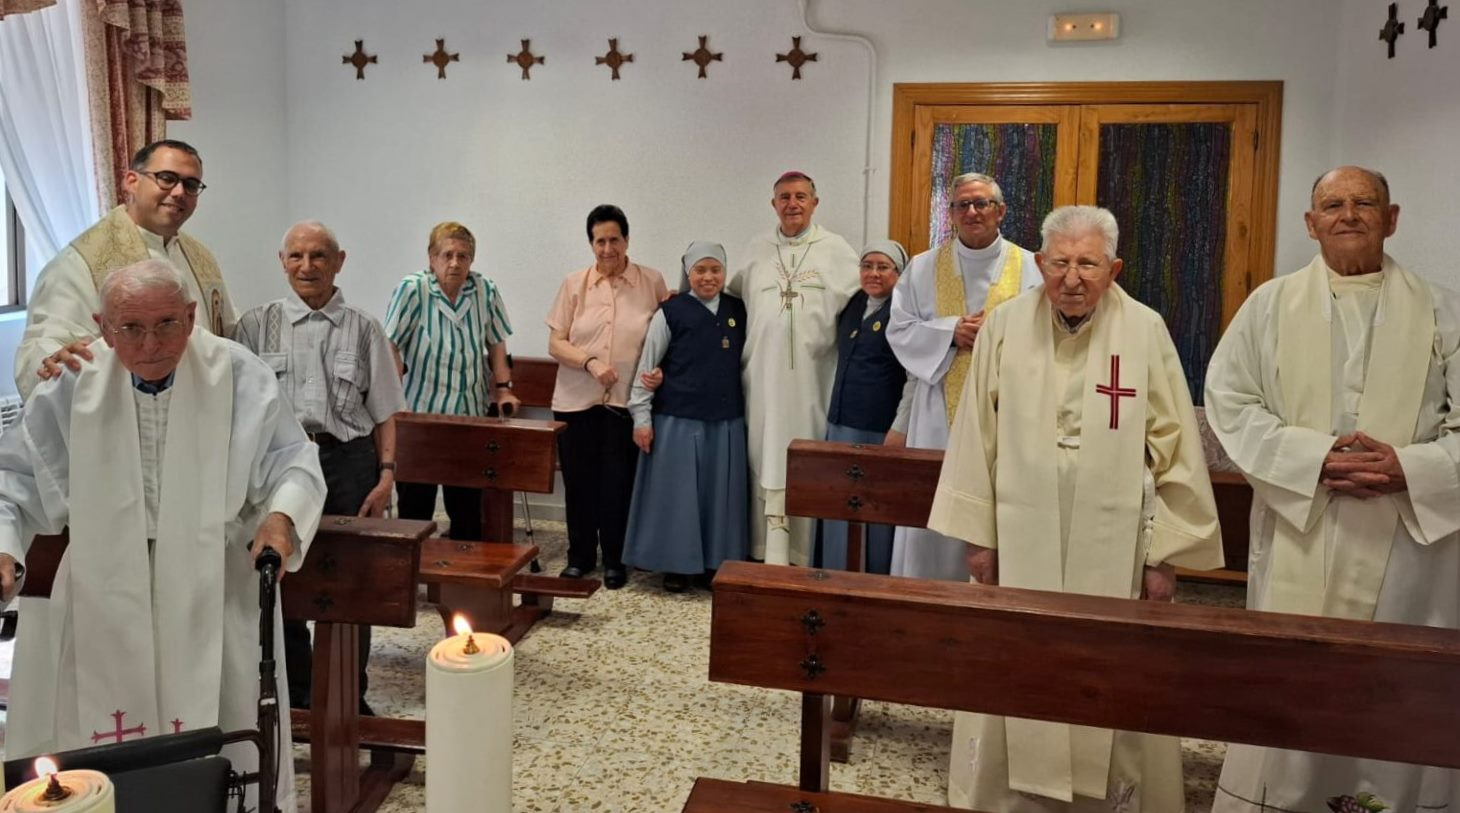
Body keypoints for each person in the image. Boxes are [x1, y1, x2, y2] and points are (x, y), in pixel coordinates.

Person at [0, 260, 326, 813]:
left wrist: (283, 517)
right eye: (131, 328)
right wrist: (5, 549)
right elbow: (14, 481)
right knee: (94, 731)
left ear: (191, 316)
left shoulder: (237, 373)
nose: (151, 343)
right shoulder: (72, 384)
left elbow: (292, 460)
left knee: (217, 721)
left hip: (211, 584)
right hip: (101, 592)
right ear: (103, 327)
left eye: (167, 324)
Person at [927, 206, 1222, 811]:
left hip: (1116, 540)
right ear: (1039, 264)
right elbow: (976, 433)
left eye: (1087, 263)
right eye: (1060, 262)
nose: (1072, 277)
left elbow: (1176, 447)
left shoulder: (1144, 330)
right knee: (1018, 654)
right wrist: (979, 536)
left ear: (1112, 268)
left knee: (1110, 661)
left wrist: (1164, 553)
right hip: (1018, 525)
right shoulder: (1005, 326)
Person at [1205, 167, 1460, 812]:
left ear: (1393, 217)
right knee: (1294, 677)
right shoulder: (1268, 305)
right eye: (1333, 204)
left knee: (1395, 687)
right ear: (1311, 223)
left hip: (1408, 543)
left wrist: (1410, 466)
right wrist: (1313, 458)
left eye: (1364, 202)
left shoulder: (1444, 310)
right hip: (1303, 525)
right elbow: (1230, 401)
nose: (1349, 214)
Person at [234, 221, 405, 715]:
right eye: (296, 256)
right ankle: (300, 695)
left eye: (318, 256)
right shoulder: (253, 326)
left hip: (347, 462)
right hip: (278, 465)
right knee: (283, 577)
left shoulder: (364, 327)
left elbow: (385, 411)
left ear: (339, 261)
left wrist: (387, 473)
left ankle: (351, 694)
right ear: (282, 261)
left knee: (351, 580)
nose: (306, 267)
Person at [887, 172, 1040, 581]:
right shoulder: (921, 269)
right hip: (937, 413)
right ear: (951, 214)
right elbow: (898, 330)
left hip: (1008, 416)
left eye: (982, 204)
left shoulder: (1031, 268)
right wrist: (951, 331)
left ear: (1001, 211)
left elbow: (1049, 335)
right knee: (934, 516)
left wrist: (999, 337)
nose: (972, 212)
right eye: (961, 205)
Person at [15, 139, 235, 399]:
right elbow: (44, 344)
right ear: (131, 181)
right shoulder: (80, 261)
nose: (179, 192)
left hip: (199, 405)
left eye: (190, 185)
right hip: (125, 414)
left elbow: (228, 333)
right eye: (166, 178)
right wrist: (51, 358)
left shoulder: (200, 257)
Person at [727, 171, 859, 566]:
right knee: (764, 451)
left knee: (808, 454)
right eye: (784, 197)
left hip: (813, 380)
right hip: (763, 379)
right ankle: (765, 548)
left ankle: (806, 552)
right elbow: (725, 296)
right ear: (773, 205)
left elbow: (866, 300)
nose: (792, 204)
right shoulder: (756, 249)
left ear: (815, 203)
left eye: (801, 196)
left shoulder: (836, 250)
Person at [547, 205, 669, 589]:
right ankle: (580, 557)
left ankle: (616, 558)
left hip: (625, 404)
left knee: (618, 484)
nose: (607, 248)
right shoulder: (573, 284)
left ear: (627, 240)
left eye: (614, 239)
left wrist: (664, 369)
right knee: (580, 484)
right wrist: (590, 362)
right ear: (591, 243)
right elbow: (555, 342)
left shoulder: (651, 282)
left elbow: (670, 335)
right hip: (575, 401)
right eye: (599, 241)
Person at [622, 242, 748, 592]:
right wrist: (642, 418)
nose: (708, 277)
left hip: (726, 420)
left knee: (717, 497)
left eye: (715, 270)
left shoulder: (739, 309)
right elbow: (649, 366)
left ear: (724, 272)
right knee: (679, 498)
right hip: (678, 419)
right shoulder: (671, 312)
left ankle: (713, 563)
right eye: (700, 270)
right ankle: (676, 566)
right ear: (688, 273)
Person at [385, 221, 519, 541]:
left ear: (472, 260)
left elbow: (497, 343)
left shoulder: (484, 289)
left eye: (463, 256)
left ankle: (462, 576)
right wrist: (394, 401)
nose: (455, 263)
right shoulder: (413, 288)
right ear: (431, 258)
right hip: (421, 415)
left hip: (468, 416)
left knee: (467, 508)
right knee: (416, 508)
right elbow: (391, 344)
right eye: (447, 255)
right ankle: (413, 577)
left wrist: (503, 390)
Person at [816, 240, 916, 574]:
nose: (873, 273)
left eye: (883, 267)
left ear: (899, 274)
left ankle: (872, 578)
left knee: (874, 508)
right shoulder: (853, 304)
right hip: (841, 422)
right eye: (867, 266)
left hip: (879, 428)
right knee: (837, 501)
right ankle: (835, 571)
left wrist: (899, 428)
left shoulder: (905, 311)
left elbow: (914, 377)